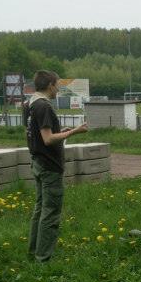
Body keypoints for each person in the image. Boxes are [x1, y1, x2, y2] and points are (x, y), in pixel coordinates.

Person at [24, 70, 88, 262]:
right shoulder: (44, 106)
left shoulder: (29, 104)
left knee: (40, 208)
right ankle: (43, 258)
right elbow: (48, 138)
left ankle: (34, 251)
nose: (58, 88)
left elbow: (33, 133)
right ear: (50, 85)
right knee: (50, 212)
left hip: (37, 161)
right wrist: (74, 132)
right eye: (57, 84)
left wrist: (62, 132)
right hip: (49, 165)